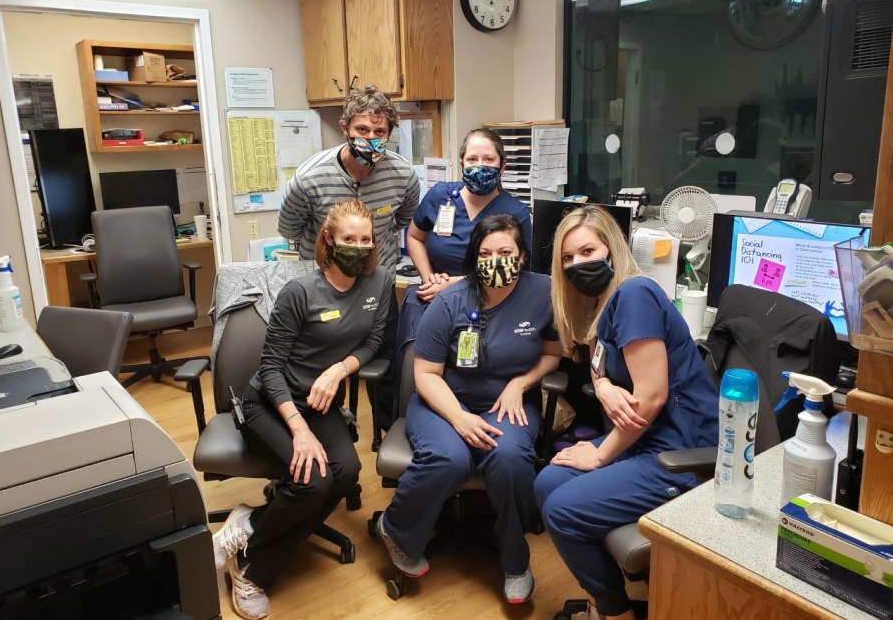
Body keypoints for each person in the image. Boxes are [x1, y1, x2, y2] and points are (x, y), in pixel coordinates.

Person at [533, 205, 719, 620]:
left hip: (684, 454)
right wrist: (602, 386)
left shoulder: (635, 295)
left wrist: (600, 455)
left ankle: (616, 613)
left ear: (612, 249)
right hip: (646, 438)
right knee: (547, 481)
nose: (577, 264)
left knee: (562, 511)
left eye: (587, 251)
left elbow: (651, 398)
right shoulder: (602, 302)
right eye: (568, 258)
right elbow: (597, 363)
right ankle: (602, 593)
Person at [213, 199, 393, 620]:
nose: (358, 248)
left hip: (318, 403)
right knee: (312, 481)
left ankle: (249, 523)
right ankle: (252, 570)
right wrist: (299, 430)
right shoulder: (300, 292)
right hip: (267, 403)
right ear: (329, 239)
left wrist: (338, 370)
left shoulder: (380, 282)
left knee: (346, 472)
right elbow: (270, 367)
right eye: (349, 239)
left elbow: (373, 341)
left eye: (365, 240)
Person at [377, 214, 562, 604]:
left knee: (509, 457)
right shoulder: (449, 301)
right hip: (444, 399)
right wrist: (459, 418)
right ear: (474, 258)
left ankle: (515, 561)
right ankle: (397, 529)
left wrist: (520, 383)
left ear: (522, 256)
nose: (495, 261)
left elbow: (552, 353)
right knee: (449, 458)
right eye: (485, 254)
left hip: (506, 401)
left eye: (505, 252)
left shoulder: (544, 292)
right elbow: (425, 374)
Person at [277, 85, 419, 431]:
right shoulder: (309, 178)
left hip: (377, 287)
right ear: (345, 128)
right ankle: (316, 425)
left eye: (380, 132)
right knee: (316, 367)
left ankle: (388, 433)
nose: (371, 138)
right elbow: (290, 229)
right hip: (324, 290)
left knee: (387, 366)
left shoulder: (403, 175)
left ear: (389, 133)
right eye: (362, 129)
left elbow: (402, 220)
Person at [406, 128, 531, 303]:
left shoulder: (516, 212)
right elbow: (414, 237)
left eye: (488, 159)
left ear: (502, 165)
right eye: (472, 159)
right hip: (435, 299)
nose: (479, 166)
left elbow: (518, 270)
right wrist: (430, 280)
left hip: (489, 302)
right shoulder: (440, 196)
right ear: (462, 164)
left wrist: (453, 286)